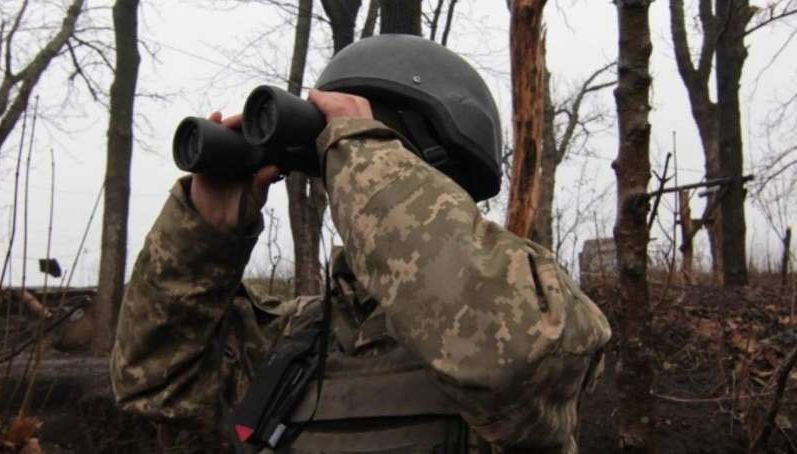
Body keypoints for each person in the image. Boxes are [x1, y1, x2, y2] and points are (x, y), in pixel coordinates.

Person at [110, 35, 611, 453]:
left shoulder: (540, 309)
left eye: (354, 145)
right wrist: (205, 234)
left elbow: (509, 357)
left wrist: (360, 149)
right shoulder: (292, 339)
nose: (341, 164)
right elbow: (154, 385)